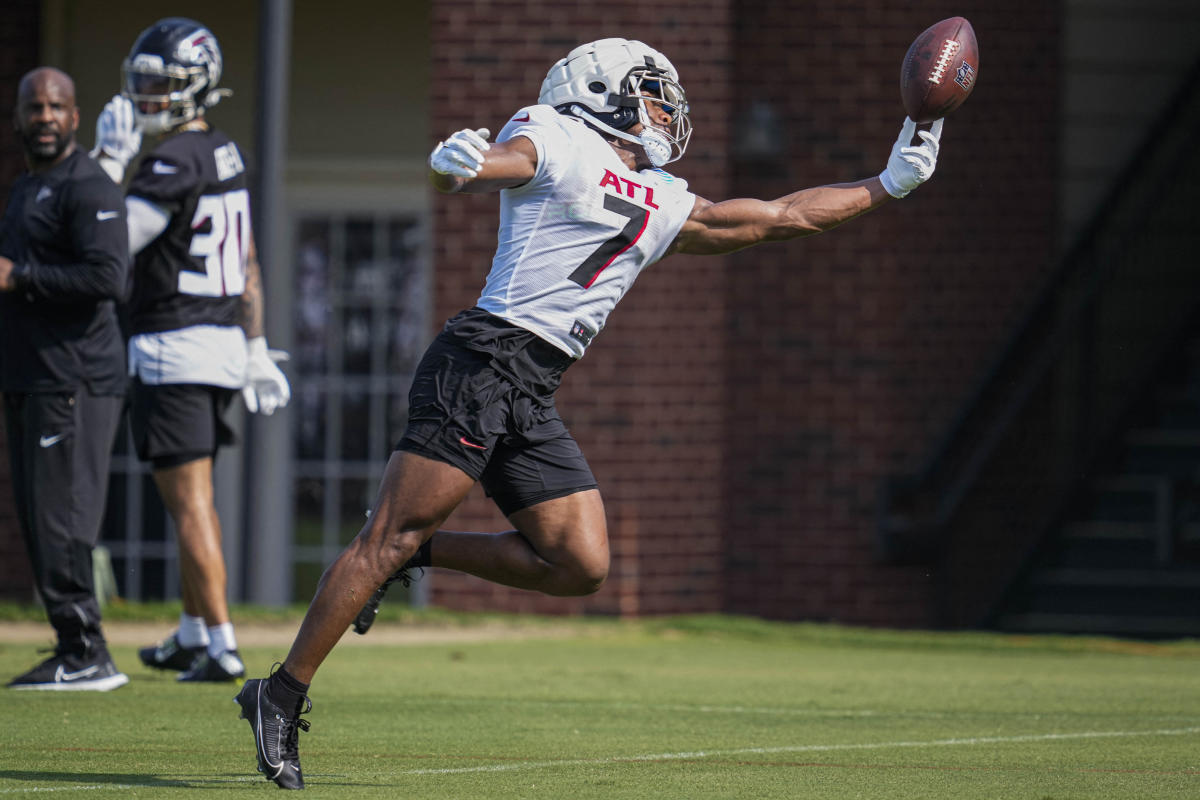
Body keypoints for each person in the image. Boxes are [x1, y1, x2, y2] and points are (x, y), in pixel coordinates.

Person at [235, 37, 944, 788]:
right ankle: (278, 695)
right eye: (651, 90)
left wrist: (888, 182)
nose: (667, 107)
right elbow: (515, 161)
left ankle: (423, 556)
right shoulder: (557, 131)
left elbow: (774, 218)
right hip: (482, 362)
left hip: (533, 385)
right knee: (386, 533)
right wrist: (467, 166)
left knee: (578, 564)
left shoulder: (664, 195)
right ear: (601, 91)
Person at [90, 17, 291, 684]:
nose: (146, 96)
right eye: (142, 83)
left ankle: (222, 642)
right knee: (188, 502)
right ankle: (190, 629)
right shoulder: (225, 151)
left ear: (196, 88)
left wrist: (110, 169)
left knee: (190, 502)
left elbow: (110, 246)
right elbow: (250, 259)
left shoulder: (170, 161)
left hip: (175, 343)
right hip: (219, 342)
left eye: (160, 85)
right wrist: (257, 343)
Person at [0, 68, 131, 691]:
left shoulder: (88, 184)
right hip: (31, 378)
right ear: (20, 116)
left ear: (76, 118)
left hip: (74, 380)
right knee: (37, 519)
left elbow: (108, 279)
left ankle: (87, 654)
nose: (45, 116)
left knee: (63, 520)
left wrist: (18, 277)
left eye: (56, 106)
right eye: (35, 107)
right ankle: (72, 647)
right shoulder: (30, 186)